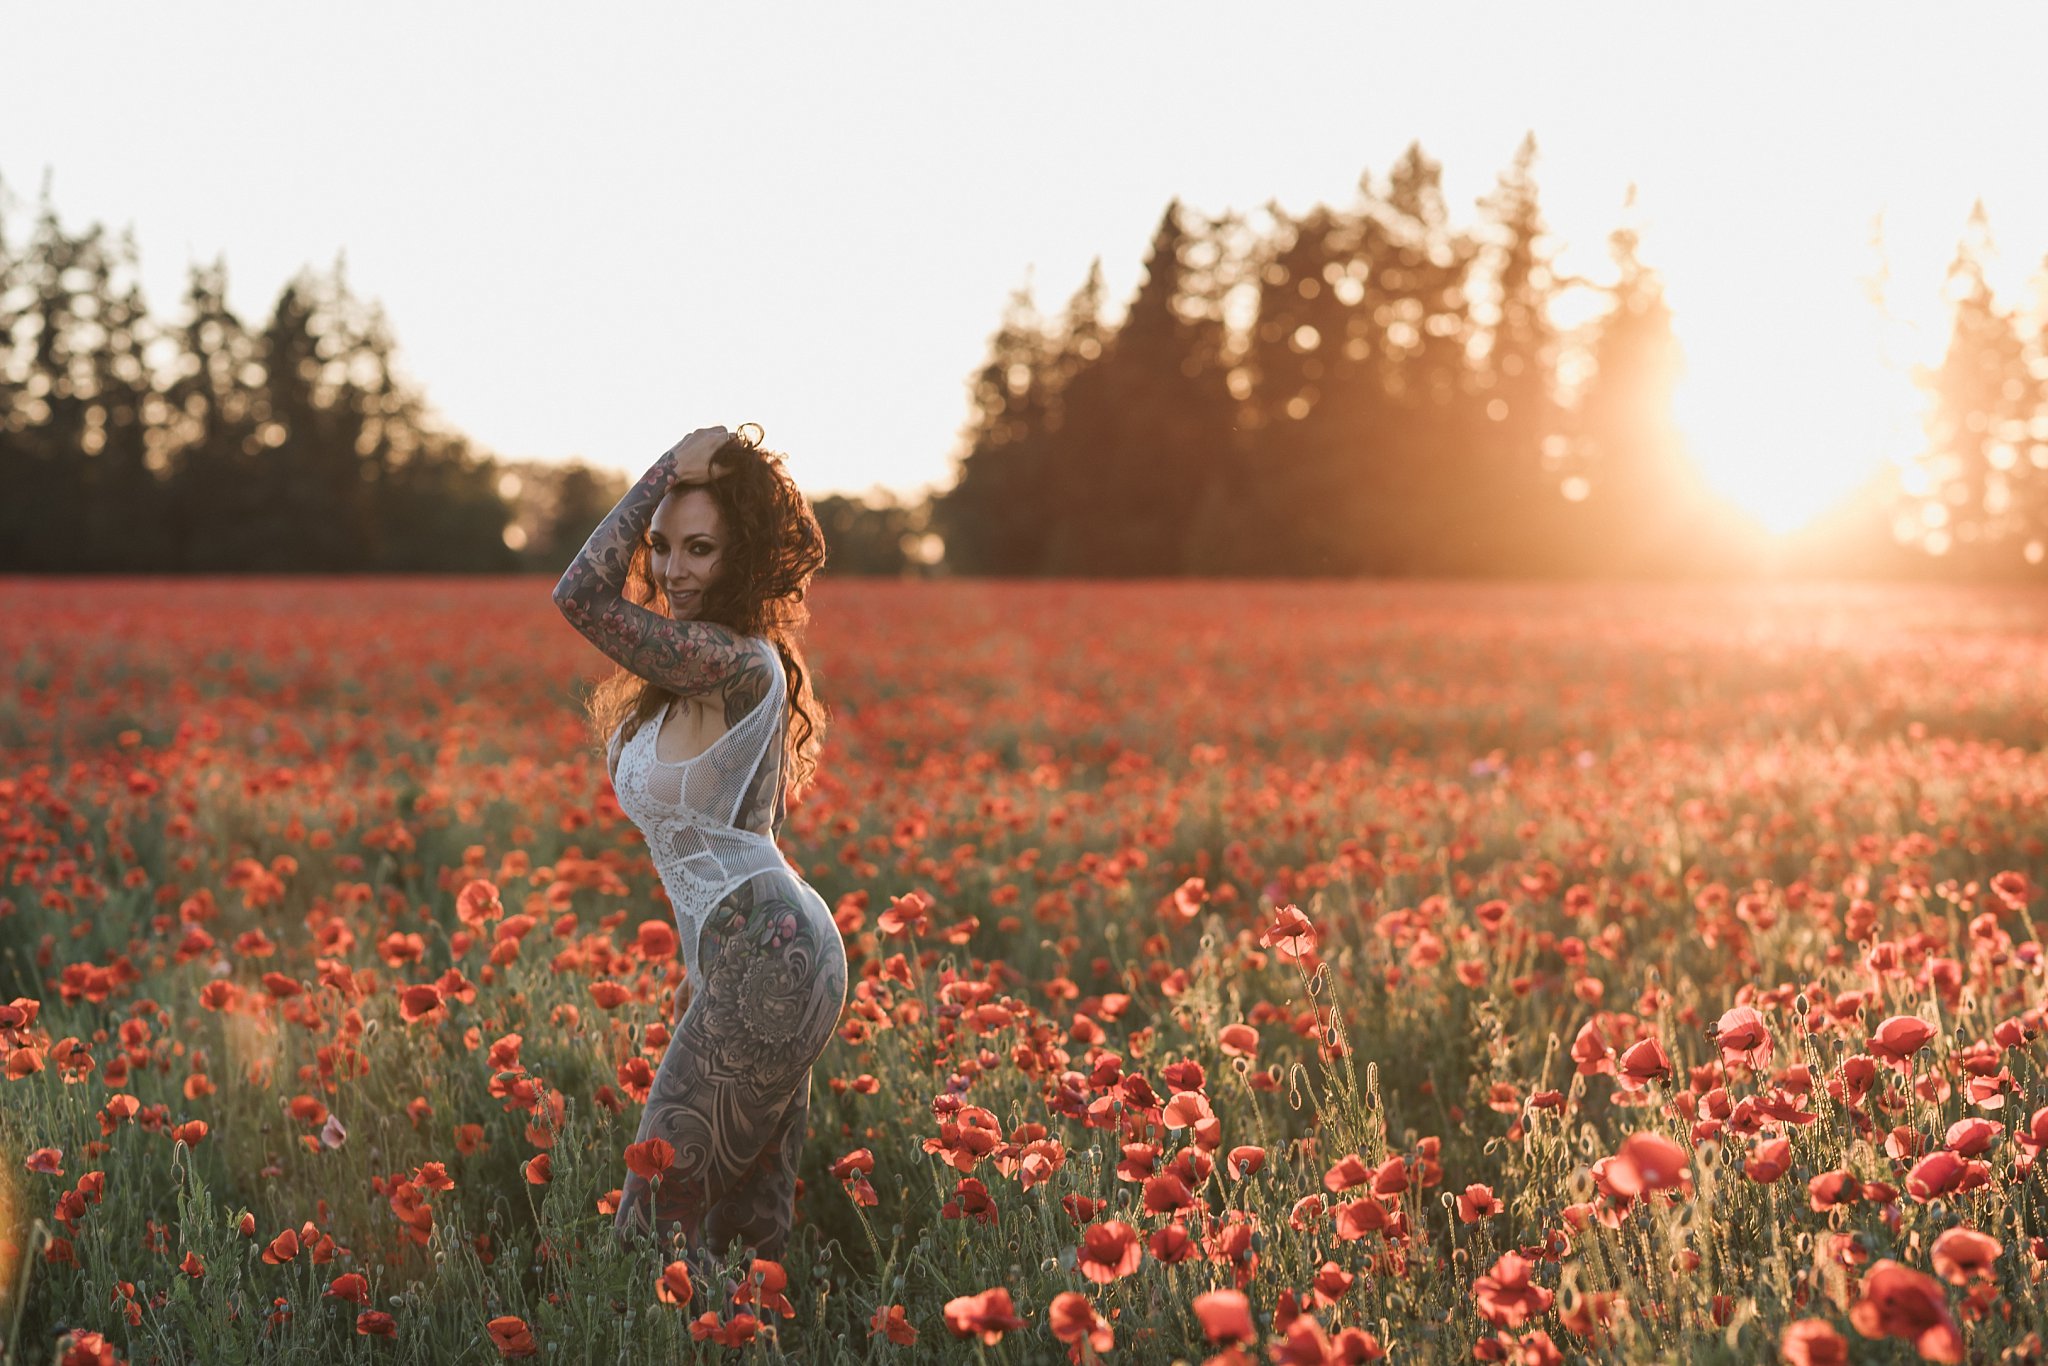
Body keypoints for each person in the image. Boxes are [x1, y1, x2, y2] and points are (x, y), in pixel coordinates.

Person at [551, 423, 845, 1265]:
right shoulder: (679, 679)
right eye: (662, 548)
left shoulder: (743, 665)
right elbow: (751, 824)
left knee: (649, 1233)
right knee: (742, 1248)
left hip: (770, 955)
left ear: (744, 555)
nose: (674, 570)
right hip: (747, 957)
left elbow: (579, 597)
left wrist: (662, 471)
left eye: (702, 548)